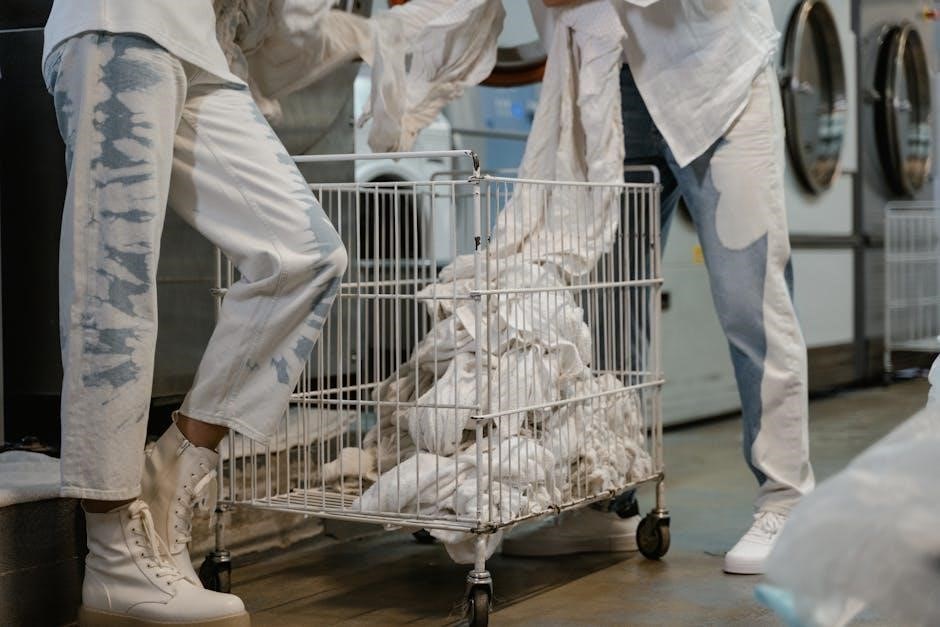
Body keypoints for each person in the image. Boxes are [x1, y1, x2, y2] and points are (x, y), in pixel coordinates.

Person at [43, 1, 348, 624]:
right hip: (118, 19)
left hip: (198, 42)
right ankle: (113, 555)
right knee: (113, 288)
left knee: (307, 257)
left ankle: (170, 474)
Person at [503, 0, 815, 575]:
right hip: (607, 82)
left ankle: (786, 500)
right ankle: (608, 500)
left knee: (751, 303)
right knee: (604, 313)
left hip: (712, 74)